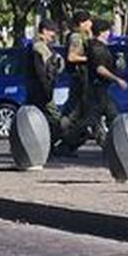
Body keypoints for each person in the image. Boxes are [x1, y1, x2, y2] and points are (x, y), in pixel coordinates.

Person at [76, 19, 127, 150]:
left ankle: (112, 143)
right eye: (107, 31)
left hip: (101, 88)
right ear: (103, 32)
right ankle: (67, 142)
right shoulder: (96, 47)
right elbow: (100, 68)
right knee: (92, 119)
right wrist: (117, 79)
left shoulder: (99, 46)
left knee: (108, 115)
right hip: (96, 89)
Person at [57, 11, 93, 155]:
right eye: (88, 21)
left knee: (78, 113)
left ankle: (66, 145)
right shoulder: (76, 37)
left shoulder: (83, 36)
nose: (91, 24)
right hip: (78, 78)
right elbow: (71, 57)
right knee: (73, 113)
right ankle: (60, 137)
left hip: (83, 79)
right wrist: (89, 59)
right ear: (82, 23)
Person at [25, 20, 63, 145]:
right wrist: (46, 88)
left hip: (41, 88)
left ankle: (41, 144)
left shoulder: (44, 47)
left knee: (37, 117)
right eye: (52, 31)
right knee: (54, 119)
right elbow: (42, 71)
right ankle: (44, 144)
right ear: (44, 31)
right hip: (41, 88)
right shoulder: (39, 47)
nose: (54, 35)